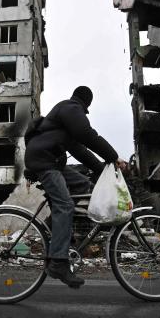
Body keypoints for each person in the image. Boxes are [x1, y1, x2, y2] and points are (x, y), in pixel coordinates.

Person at [24, 86, 128, 288]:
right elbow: (88, 136)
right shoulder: (71, 108)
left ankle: (54, 229)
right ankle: (59, 263)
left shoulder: (66, 119)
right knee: (66, 206)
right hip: (44, 161)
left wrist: (102, 169)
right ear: (87, 101)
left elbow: (80, 150)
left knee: (82, 184)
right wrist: (114, 157)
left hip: (50, 160)